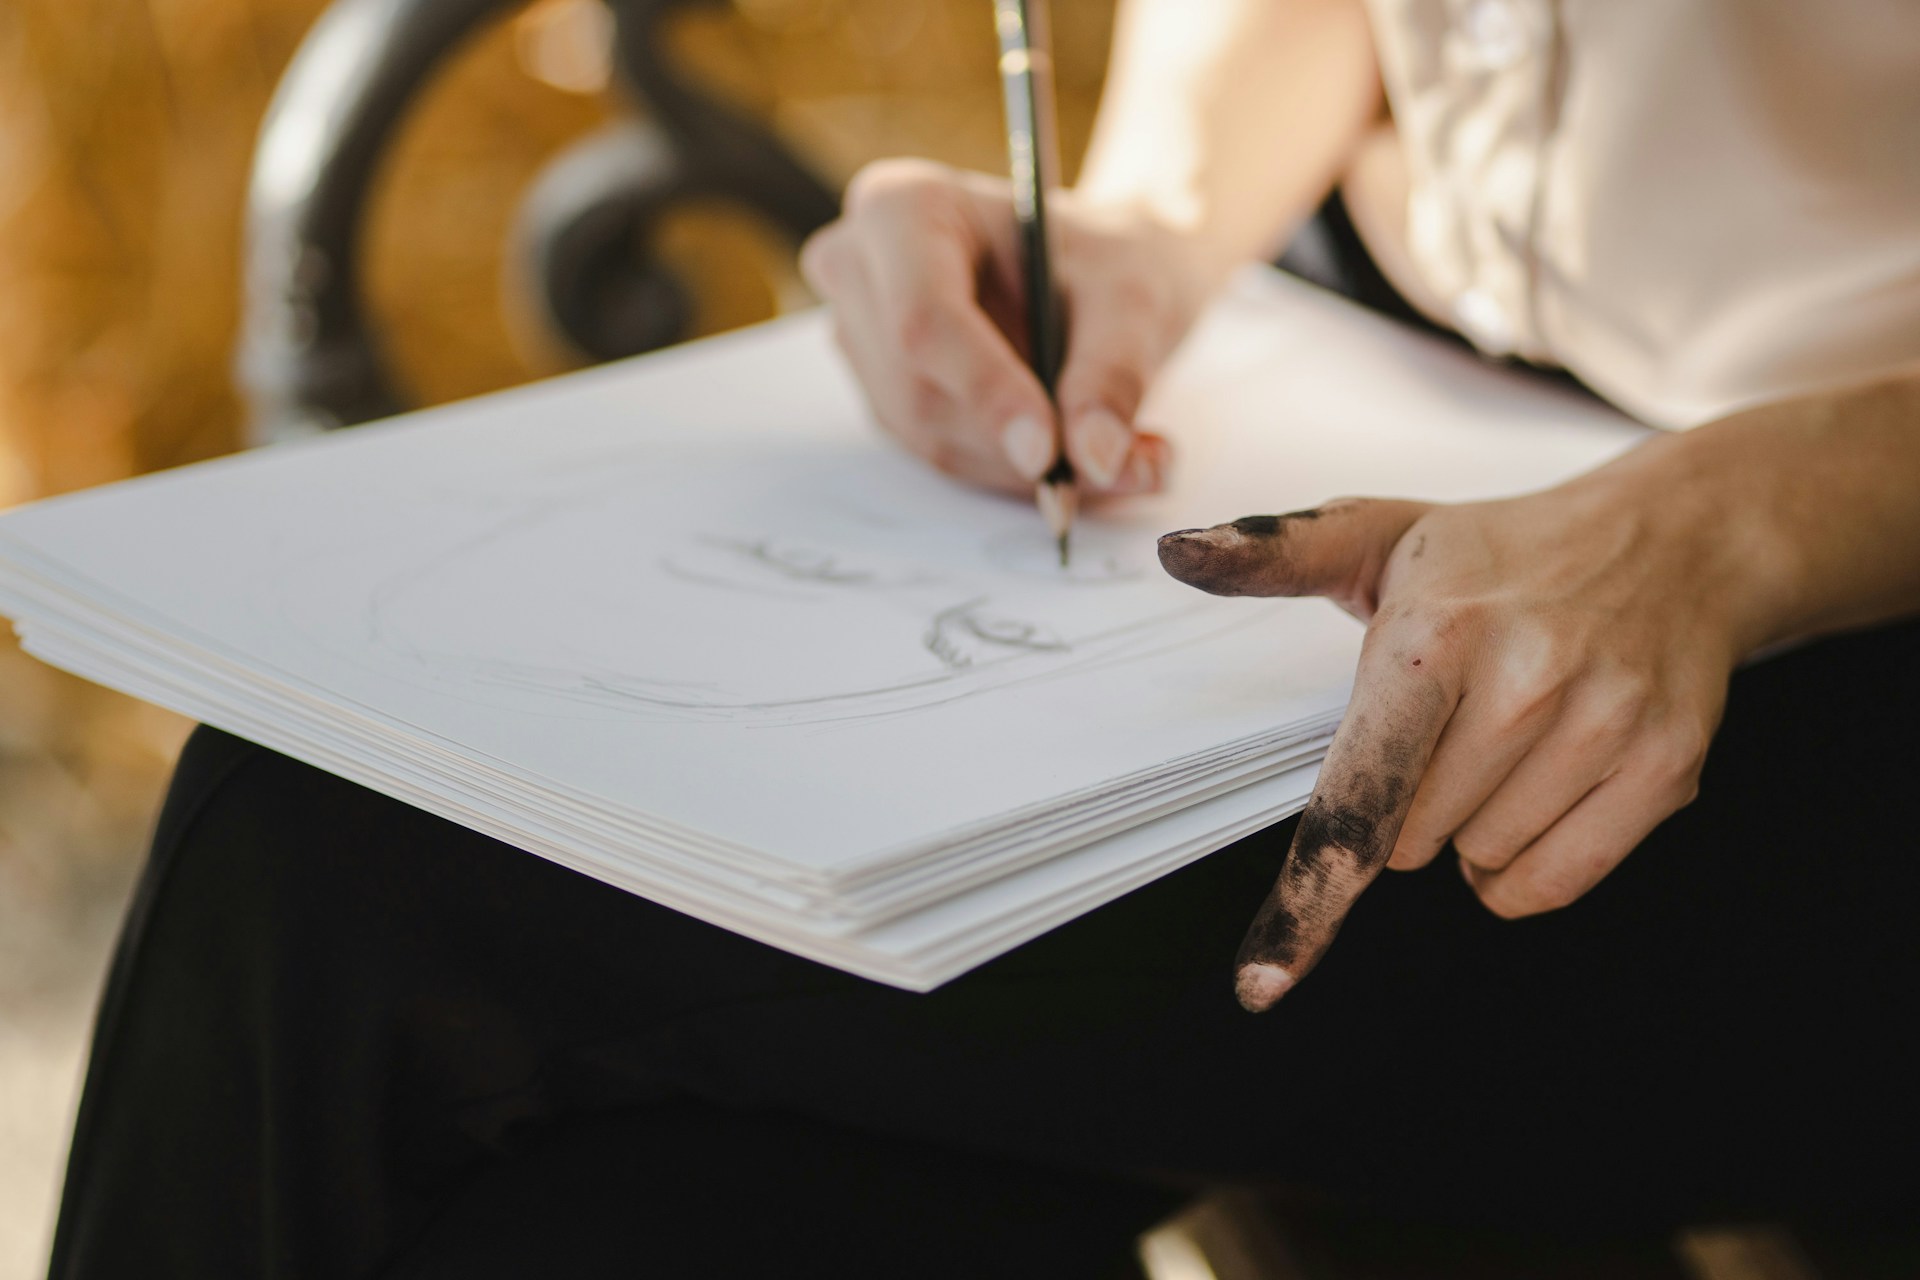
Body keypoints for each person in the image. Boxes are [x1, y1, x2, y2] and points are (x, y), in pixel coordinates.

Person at [50, 2, 1920, 1276]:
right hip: (1377, 372)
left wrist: (1720, 527)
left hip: (1829, 593)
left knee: (337, 843)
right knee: (613, 1220)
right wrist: (1157, 217)